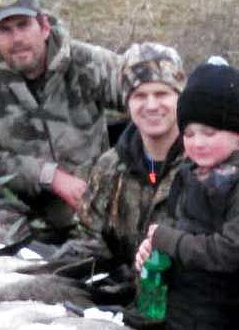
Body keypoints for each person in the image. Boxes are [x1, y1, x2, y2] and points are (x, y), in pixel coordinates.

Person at [135, 58, 239, 330]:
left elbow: (233, 250)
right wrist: (151, 248)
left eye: (209, 133)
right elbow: (172, 222)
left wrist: (170, 241)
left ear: (238, 134)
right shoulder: (188, 173)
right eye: (189, 134)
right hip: (182, 321)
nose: (197, 143)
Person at [0, 0, 122, 226]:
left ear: (43, 27)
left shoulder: (86, 63)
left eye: (23, 25)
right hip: (18, 217)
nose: (17, 38)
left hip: (99, 202)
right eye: (5, 30)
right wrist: (49, 176)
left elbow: (143, 93)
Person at [74, 42, 186, 269]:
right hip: (115, 292)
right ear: (127, 103)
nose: (151, 105)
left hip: (182, 297)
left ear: (180, 97)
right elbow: (87, 242)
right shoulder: (109, 167)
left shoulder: (201, 164)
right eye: (140, 96)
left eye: (161, 93)